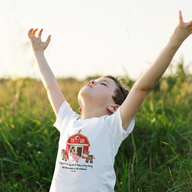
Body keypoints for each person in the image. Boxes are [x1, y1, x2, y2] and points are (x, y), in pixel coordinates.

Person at [28, 11, 192, 192]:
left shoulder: (112, 125)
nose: (92, 81)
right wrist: (38, 52)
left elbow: (142, 88)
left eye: (102, 84)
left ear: (114, 107)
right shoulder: (68, 120)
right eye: (94, 80)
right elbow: (51, 86)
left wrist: (175, 41)